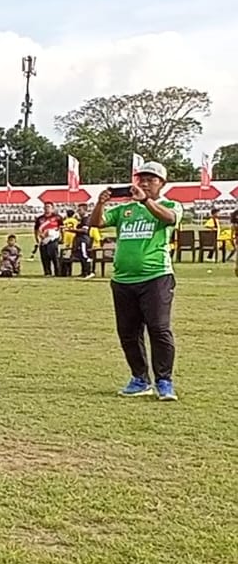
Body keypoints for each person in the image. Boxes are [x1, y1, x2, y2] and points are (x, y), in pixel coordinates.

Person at [89, 161, 181, 401]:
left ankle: (164, 381)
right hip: (123, 279)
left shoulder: (170, 205)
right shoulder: (124, 210)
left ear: (162, 183)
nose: (145, 183)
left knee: (159, 329)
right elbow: (96, 223)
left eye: (151, 179)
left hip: (156, 277)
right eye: (141, 179)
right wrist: (100, 203)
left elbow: (170, 219)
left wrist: (145, 201)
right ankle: (140, 379)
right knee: (128, 332)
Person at [34, 202, 63, 276]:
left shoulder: (57, 217)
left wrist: (62, 237)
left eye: (48, 207)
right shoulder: (40, 218)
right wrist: (37, 239)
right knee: (44, 257)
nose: (47, 208)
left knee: (54, 256)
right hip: (43, 240)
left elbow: (61, 228)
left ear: (52, 208)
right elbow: (36, 229)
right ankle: (47, 272)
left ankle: (58, 272)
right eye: (45, 207)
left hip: (53, 239)